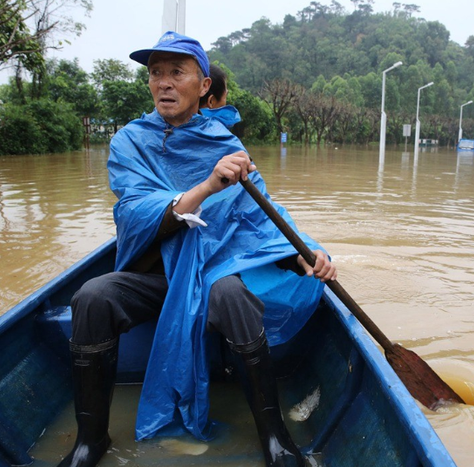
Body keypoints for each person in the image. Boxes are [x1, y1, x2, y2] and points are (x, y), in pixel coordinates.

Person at [58, 31, 337, 467]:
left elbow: (259, 219)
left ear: (203, 85)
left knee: (232, 295)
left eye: (176, 72)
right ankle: (90, 441)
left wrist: (303, 254)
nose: (164, 83)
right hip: (154, 276)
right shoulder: (129, 141)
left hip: (211, 272)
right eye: (155, 74)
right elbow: (134, 213)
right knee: (91, 296)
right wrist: (207, 186)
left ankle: (276, 439)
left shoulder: (227, 144)